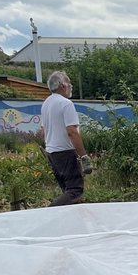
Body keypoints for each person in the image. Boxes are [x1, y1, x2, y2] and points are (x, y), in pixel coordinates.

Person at [39, 71, 90, 206]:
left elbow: (43, 131)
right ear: (62, 86)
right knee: (74, 190)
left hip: (52, 153)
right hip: (65, 152)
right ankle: (49, 213)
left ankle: (68, 223)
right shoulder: (66, 104)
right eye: (69, 84)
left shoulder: (46, 103)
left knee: (67, 191)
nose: (71, 87)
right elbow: (72, 132)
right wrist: (83, 156)